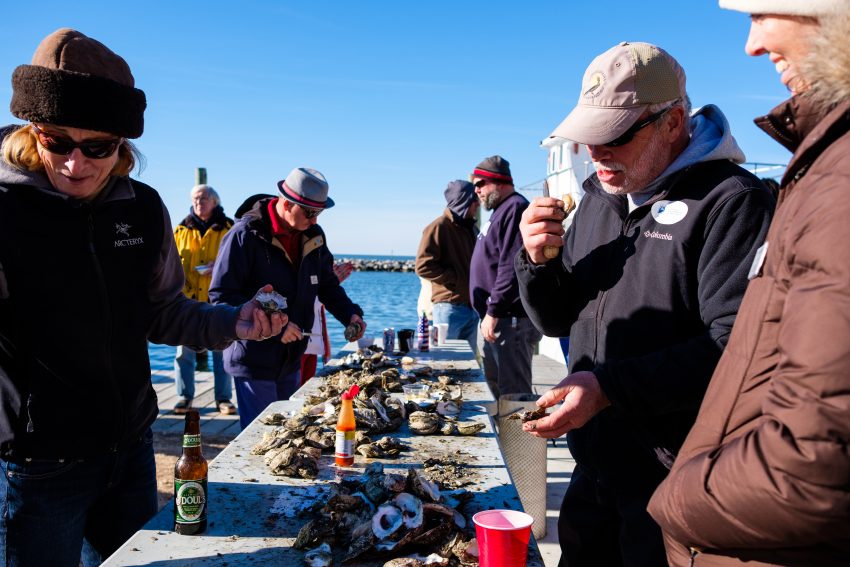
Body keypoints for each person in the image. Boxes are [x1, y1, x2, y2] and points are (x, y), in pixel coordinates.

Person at [0, 28, 285, 566]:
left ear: (123, 145)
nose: (74, 164)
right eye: (55, 140)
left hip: (130, 447)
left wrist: (235, 322)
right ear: (31, 129)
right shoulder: (5, 208)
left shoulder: (142, 206)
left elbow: (163, 311)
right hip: (38, 464)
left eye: (97, 147)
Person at [515, 42, 775, 566]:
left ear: (673, 120)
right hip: (594, 470)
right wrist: (538, 264)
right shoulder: (597, 199)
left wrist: (609, 387)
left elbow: (738, 350)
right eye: (588, 137)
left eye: (614, 135)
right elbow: (558, 319)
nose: (596, 153)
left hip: (673, 483)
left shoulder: (732, 201)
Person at [649, 3, 850, 566]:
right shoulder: (822, 165)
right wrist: (537, 265)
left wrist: (676, 501)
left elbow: (814, 460)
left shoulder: (824, 179)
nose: (752, 44)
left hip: (742, 526)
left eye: (764, 12)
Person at [210, 167, 366, 429]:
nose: (315, 220)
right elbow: (222, 297)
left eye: (319, 213)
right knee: (263, 439)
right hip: (253, 358)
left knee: (290, 436)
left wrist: (350, 313)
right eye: (310, 212)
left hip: (291, 359)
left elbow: (326, 284)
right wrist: (276, 326)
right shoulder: (244, 236)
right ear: (285, 202)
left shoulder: (313, 236)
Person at [469, 156, 542, 399]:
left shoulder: (515, 208)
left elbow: (511, 266)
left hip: (509, 318)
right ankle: (503, 438)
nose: (476, 190)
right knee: (496, 387)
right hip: (498, 318)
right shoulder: (501, 211)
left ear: (499, 182)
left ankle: (521, 438)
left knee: (514, 393)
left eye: (480, 184)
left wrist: (494, 311)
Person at [172, 184, 236, 415]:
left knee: (222, 352)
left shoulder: (229, 228)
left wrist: (217, 267)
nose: (199, 202)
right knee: (183, 353)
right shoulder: (180, 230)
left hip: (218, 301)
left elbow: (237, 262)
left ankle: (224, 399)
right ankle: (184, 397)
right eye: (195, 198)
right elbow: (170, 262)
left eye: (204, 198)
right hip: (186, 301)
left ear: (215, 201)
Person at [415, 180, 480, 351]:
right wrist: (455, 279)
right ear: (464, 201)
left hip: (471, 308)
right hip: (448, 308)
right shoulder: (438, 227)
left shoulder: (471, 229)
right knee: (443, 360)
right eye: (475, 200)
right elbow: (422, 266)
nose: (478, 204)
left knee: (468, 365)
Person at [300, 260, 354, 384]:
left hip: (311, 340)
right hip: (297, 340)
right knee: (293, 394)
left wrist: (328, 285)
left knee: (302, 393)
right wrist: (325, 286)